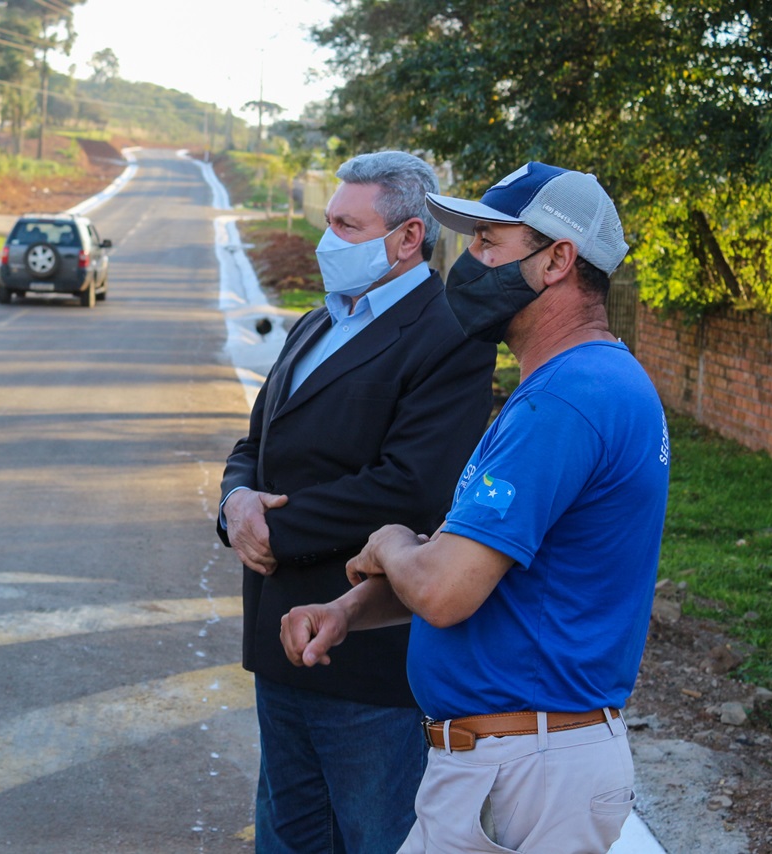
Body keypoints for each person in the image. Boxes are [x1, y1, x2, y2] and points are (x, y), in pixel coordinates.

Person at [280, 162, 671, 854]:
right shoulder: (583, 382)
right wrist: (346, 612)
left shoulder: (564, 401)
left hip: (522, 772)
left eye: (490, 244)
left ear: (557, 260)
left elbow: (442, 585)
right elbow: (475, 565)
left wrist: (391, 540)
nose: (469, 263)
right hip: (521, 761)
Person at [218, 151, 498, 852]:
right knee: (288, 836)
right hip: (278, 640)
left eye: (347, 226)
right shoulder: (318, 323)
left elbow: (412, 485)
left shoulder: (448, 338)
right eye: (327, 223)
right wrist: (235, 503)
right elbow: (257, 442)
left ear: (408, 238)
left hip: (367, 658)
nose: (325, 243)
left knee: (375, 834)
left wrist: (273, 530)